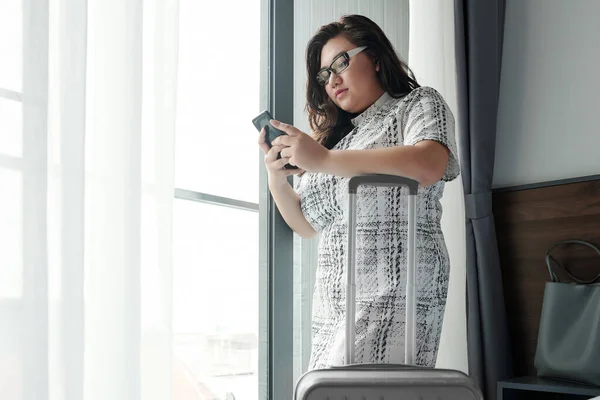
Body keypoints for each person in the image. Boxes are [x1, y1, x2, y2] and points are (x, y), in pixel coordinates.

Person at [257, 14, 459, 370]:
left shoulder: (417, 104)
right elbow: (306, 225)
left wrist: (323, 158)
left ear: (376, 58)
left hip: (394, 288)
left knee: (362, 392)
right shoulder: (341, 142)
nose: (332, 80)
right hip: (333, 304)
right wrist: (276, 179)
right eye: (324, 74)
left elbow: (430, 164)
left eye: (341, 63)